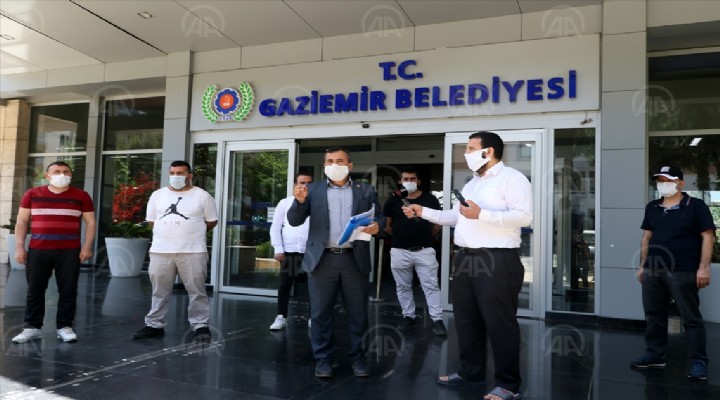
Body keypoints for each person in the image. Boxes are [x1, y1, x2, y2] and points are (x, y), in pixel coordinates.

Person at [403, 131, 532, 400]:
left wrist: (481, 214)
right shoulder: (473, 183)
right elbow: (455, 216)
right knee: (466, 319)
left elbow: (524, 217)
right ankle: (470, 372)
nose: (466, 153)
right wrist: (422, 211)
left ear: (489, 151)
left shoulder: (513, 178)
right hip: (465, 258)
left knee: (500, 323)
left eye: (471, 148)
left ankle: (508, 385)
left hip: (497, 259)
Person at [287, 147, 385, 378]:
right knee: (320, 313)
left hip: (354, 258)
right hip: (322, 259)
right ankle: (323, 359)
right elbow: (294, 220)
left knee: (358, 312)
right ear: (324, 166)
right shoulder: (313, 190)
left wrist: (377, 226)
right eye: (329, 161)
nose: (334, 164)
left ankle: (358, 357)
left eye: (340, 160)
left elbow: (379, 217)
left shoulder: (365, 189)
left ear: (350, 165)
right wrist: (299, 202)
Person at [631, 165, 715, 381]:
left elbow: (708, 236)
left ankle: (698, 361)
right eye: (660, 180)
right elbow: (646, 237)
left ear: (680, 183)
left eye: (667, 180)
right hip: (653, 270)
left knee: (691, 318)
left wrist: (704, 267)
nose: (663, 184)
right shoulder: (652, 207)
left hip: (683, 270)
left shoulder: (695, 206)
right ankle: (655, 354)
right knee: (654, 315)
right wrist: (642, 266)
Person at [11, 161, 96, 344]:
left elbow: (90, 222)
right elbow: (22, 221)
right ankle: (32, 327)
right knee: (35, 289)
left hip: (69, 251)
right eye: (56, 171)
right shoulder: (32, 194)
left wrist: (87, 246)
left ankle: (65, 327)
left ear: (71, 175)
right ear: (47, 175)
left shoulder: (81, 196)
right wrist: (19, 246)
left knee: (68, 290)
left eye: (66, 171)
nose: (62, 174)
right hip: (38, 250)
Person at [133, 161, 218, 340]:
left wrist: (192, 233)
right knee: (159, 290)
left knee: (196, 290)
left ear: (190, 175)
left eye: (180, 173)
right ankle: (154, 324)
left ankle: (200, 325)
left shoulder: (202, 196)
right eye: (172, 173)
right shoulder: (157, 195)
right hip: (160, 251)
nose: (176, 176)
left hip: (193, 251)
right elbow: (152, 221)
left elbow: (211, 221)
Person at [382, 166, 447, 336]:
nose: (409, 182)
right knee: (402, 286)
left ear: (418, 181)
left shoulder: (430, 199)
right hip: (399, 250)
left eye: (412, 179)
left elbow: (438, 222)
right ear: (400, 182)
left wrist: (426, 237)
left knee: (431, 285)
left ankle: (437, 320)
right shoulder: (393, 200)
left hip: (424, 249)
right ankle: (408, 317)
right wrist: (400, 237)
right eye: (406, 179)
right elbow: (387, 225)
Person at [268, 171, 313, 330]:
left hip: (311, 251)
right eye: (302, 182)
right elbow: (275, 227)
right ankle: (281, 316)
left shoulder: (317, 204)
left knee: (313, 286)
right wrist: (278, 248)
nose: (305, 186)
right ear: (295, 185)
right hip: (289, 251)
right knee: (285, 284)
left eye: (308, 183)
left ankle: (313, 318)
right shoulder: (285, 203)